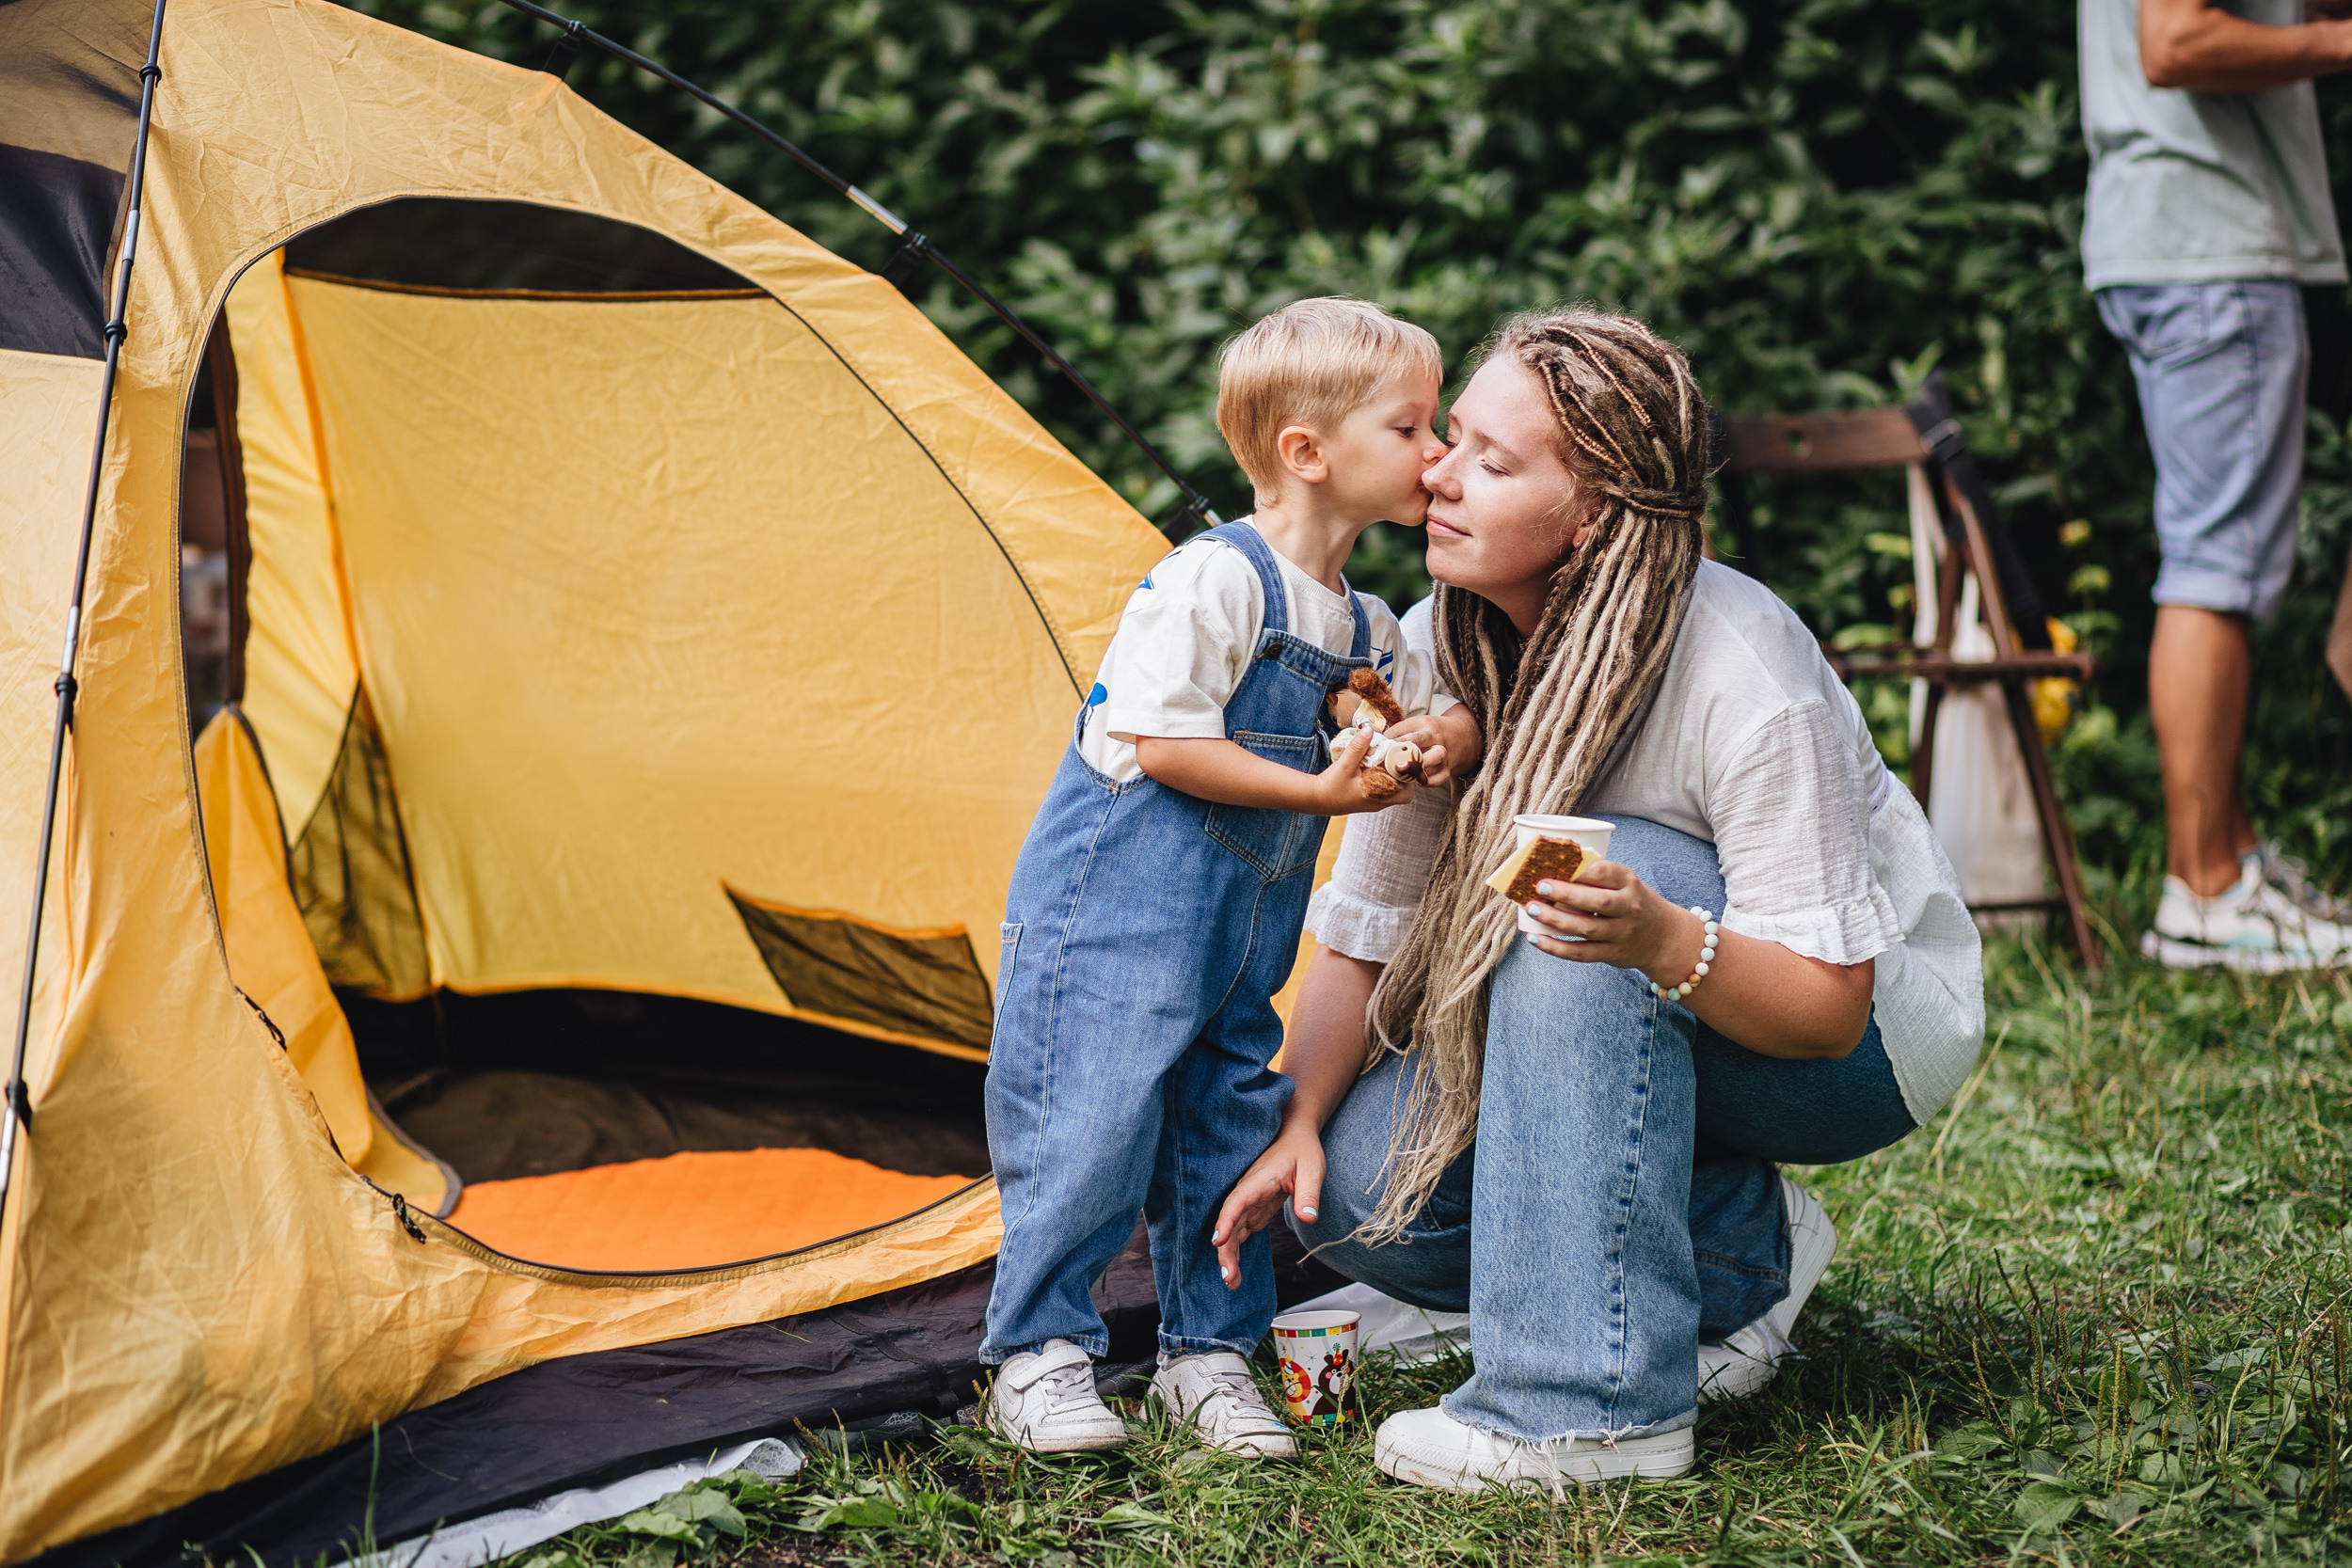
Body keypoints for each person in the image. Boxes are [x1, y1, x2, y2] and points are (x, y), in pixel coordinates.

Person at [1212, 310, 1987, 1491]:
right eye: (1451, 437)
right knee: (1359, 1193)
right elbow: (1366, 931)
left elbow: (1829, 1006)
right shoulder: (1438, 645)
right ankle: (1740, 1247)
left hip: (1853, 1042)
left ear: (1591, 518)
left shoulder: (1741, 667)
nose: (1439, 473)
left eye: (1492, 462)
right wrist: (1301, 1120)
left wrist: (1659, 936)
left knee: (1575, 874)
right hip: (1631, 991)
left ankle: (1588, 1409)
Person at [981, 298, 1484, 1457]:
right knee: (1088, 1128)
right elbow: (1164, 745)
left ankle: (1205, 1353)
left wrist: (1411, 741)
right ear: (1307, 451)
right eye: (1412, 428)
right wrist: (1321, 794)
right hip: (1108, 926)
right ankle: (1036, 1353)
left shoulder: (1365, 624)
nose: (1438, 454)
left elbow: (1410, 713)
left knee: (1225, 1127)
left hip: (1234, 946)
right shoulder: (1212, 578)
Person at [2082, 0, 2352, 968]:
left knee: (2221, 561)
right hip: (2208, 241)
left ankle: (2228, 863)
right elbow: (2176, 39)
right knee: (2217, 568)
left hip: (2178, 236)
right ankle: (2202, 888)